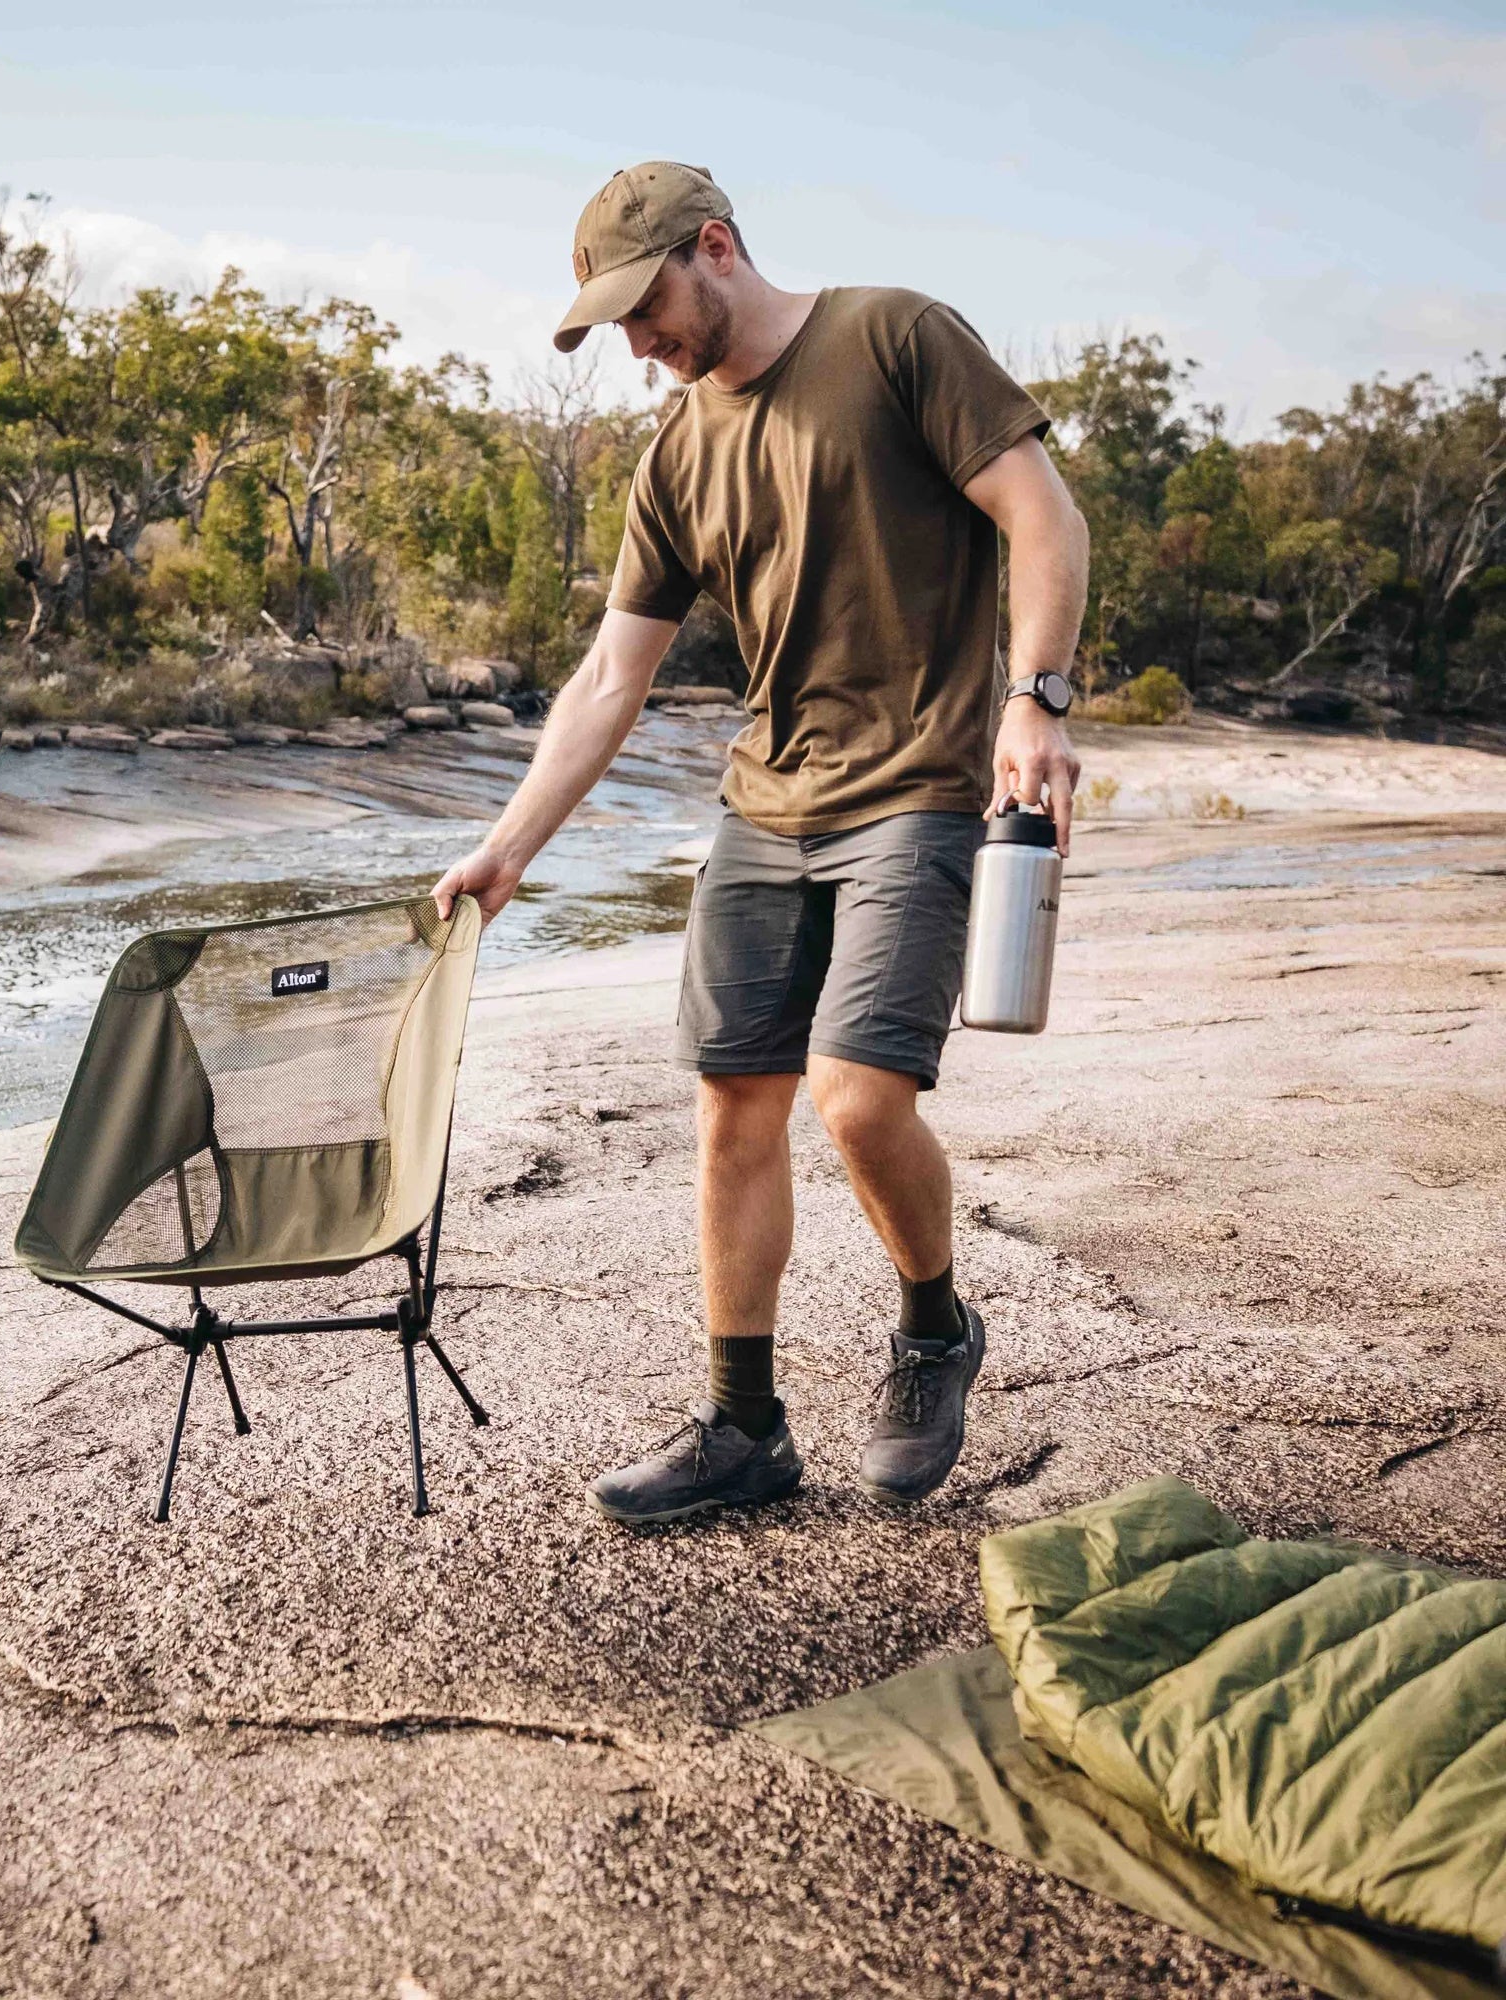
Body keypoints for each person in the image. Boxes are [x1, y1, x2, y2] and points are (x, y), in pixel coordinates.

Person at [431, 162, 1088, 1524]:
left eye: (646, 306)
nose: (638, 344)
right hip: (762, 804)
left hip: (916, 790)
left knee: (856, 1097)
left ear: (715, 248)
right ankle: (743, 1426)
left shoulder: (894, 338)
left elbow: (1043, 514)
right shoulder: (676, 454)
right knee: (734, 1108)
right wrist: (509, 848)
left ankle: (932, 1329)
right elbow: (614, 679)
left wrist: (1037, 698)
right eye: (612, 325)